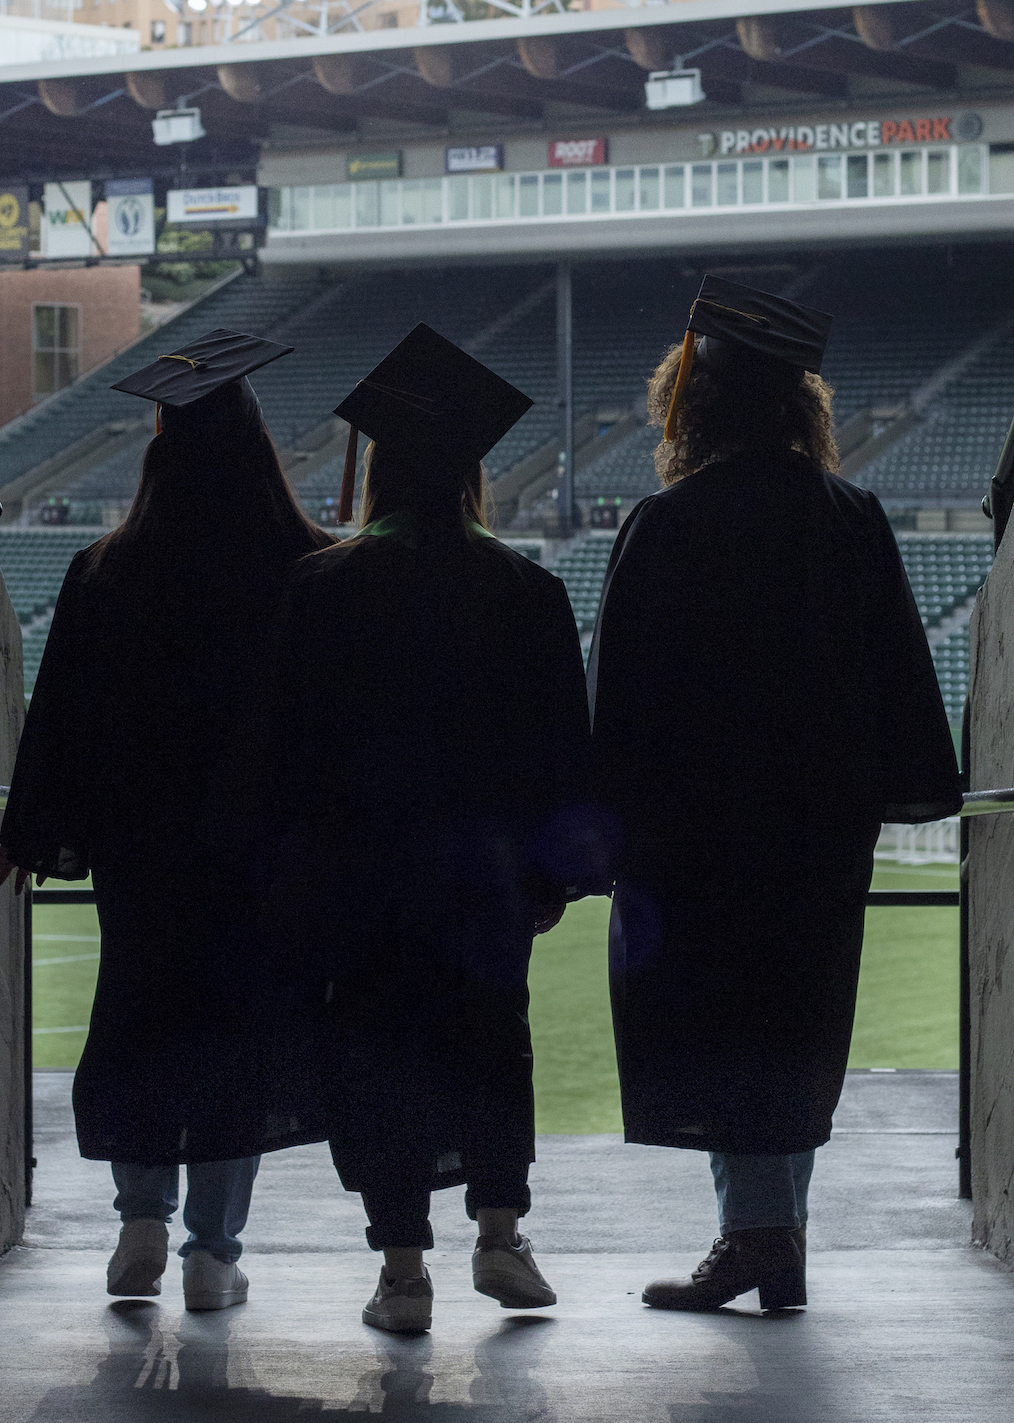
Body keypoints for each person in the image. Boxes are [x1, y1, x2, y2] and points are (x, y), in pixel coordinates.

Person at [588, 278, 962, 1313]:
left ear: (692, 404)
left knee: (727, 1031)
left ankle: (757, 1237)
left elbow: (622, 694)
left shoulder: (666, 520)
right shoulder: (852, 515)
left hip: (699, 837)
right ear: (800, 405)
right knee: (792, 1025)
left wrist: (601, 831)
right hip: (813, 834)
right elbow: (897, 675)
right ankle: (772, 1237)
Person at [258, 324, 608, 1333]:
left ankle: (402, 1272)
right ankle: (499, 1233)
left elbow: (285, 750)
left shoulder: (320, 588)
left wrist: (286, 868)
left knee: (375, 1053)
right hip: (485, 875)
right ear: (469, 471)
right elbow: (562, 754)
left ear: (378, 467)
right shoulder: (527, 591)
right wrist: (552, 878)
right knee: (493, 1039)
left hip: (359, 875)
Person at [0, 328, 336, 1312]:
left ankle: (139, 1217)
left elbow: (58, 712)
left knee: (142, 1017)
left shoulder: (108, 573)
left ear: (158, 452)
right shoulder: (305, 572)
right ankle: (210, 1251)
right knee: (237, 1039)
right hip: (259, 855)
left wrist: (29, 827)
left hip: (147, 854)